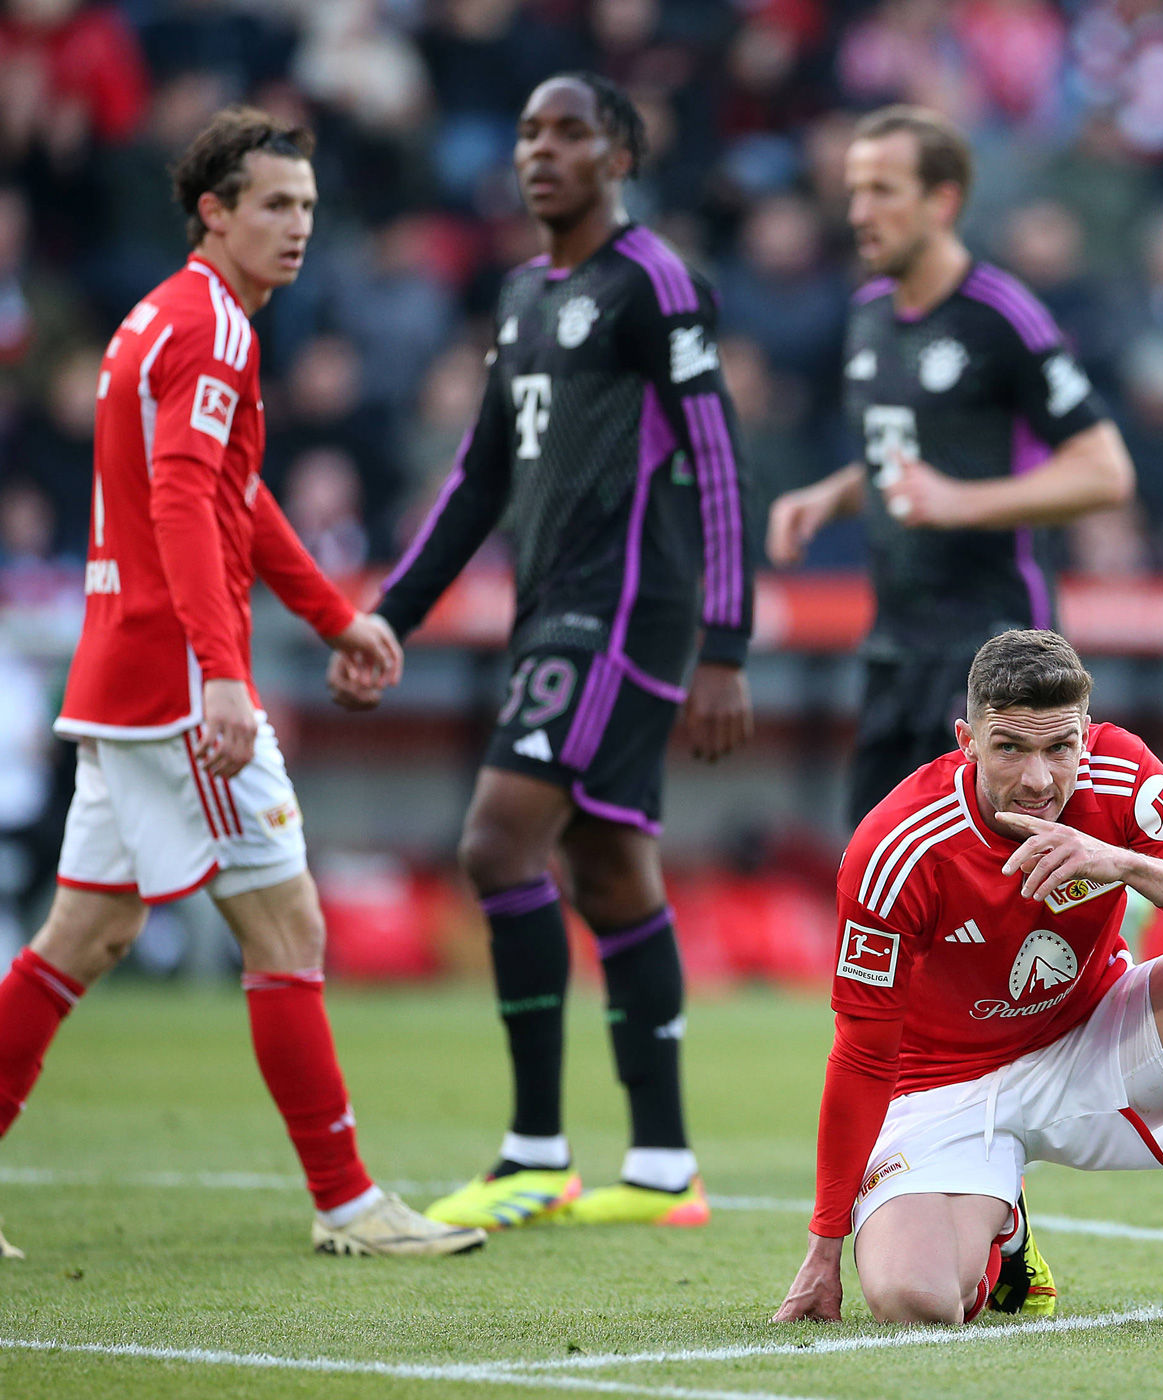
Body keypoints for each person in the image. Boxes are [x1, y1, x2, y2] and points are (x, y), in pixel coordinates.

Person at [0, 108, 486, 1263]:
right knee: (288, 926)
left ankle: (345, 1197)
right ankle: (349, 1199)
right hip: (174, 683)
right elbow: (180, 500)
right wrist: (224, 676)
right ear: (210, 211)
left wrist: (335, 615)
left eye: (308, 206)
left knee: (86, 933)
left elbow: (238, 497)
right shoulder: (210, 327)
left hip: (128, 669)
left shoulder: (171, 319)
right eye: (273, 203)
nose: (298, 226)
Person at [329, 73, 753, 1230]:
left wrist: (726, 641)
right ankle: (665, 1168)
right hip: (550, 605)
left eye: (570, 131)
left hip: (620, 608)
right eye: (525, 131)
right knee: (609, 869)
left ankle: (531, 1151)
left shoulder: (654, 282)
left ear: (620, 152)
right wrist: (390, 615)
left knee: (495, 841)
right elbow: (477, 479)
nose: (541, 151)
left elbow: (716, 460)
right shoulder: (521, 294)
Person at [774, 629, 1163, 1325]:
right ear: (967, 740)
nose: (1039, 780)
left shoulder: (1121, 771)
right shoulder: (898, 849)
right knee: (916, 1303)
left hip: (1092, 1036)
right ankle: (1004, 1230)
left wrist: (1126, 864)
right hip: (942, 1088)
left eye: (1059, 748)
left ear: (1085, 736)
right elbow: (862, 1055)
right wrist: (823, 1248)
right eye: (1010, 747)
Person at [766, 106, 1135, 829]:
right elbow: (900, 463)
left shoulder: (1001, 316)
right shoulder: (869, 313)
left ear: (942, 201)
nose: (858, 212)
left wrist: (960, 502)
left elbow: (1104, 472)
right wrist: (827, 496)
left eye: (882, 191)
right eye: (853, 191)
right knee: (875, 865)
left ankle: (1114, 927)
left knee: (997, 869)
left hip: (994, 639)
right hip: (896, 643)